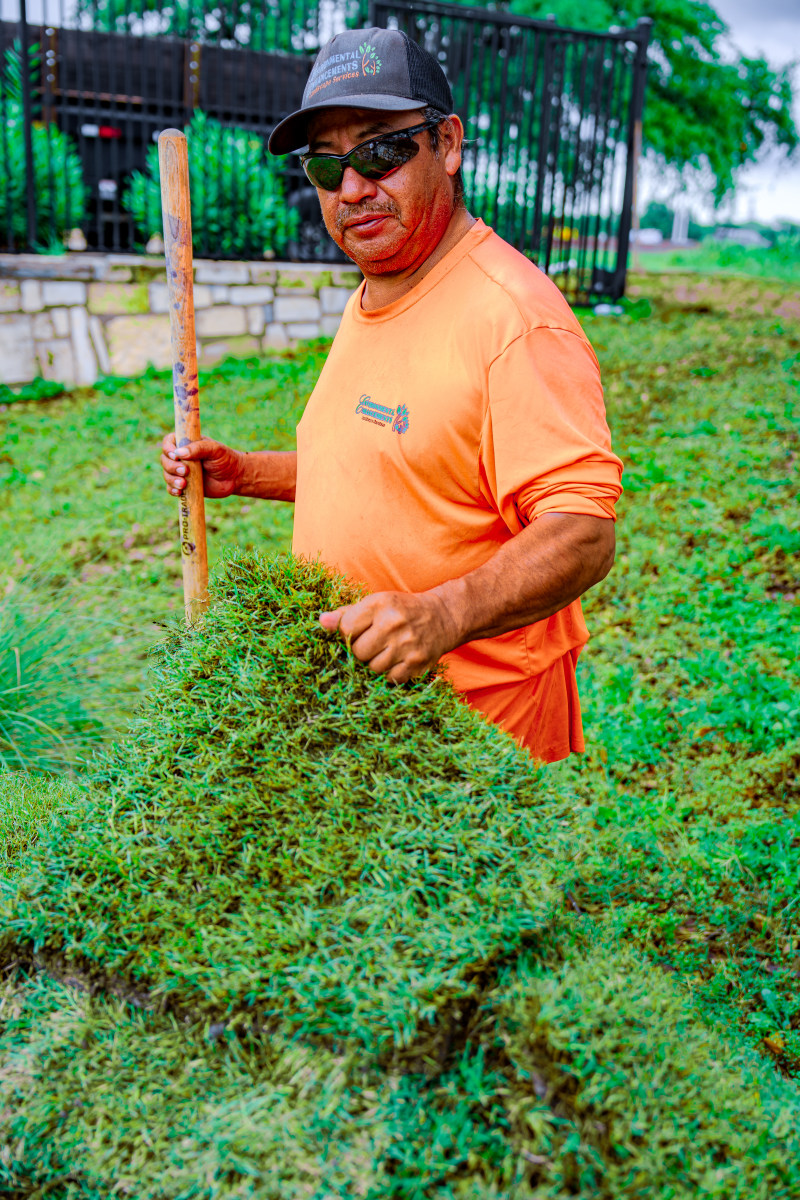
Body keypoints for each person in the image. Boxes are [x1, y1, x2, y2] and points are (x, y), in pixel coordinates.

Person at [160, 26, 623, 763]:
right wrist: (246, 473)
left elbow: (584, 532)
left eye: (380, 152)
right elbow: (387, 463)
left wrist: (442, 614)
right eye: (325, 166)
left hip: (475, 725)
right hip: (367, 703)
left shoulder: (515, 319)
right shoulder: (377, 289)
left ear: (449, 144)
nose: (351, 188)